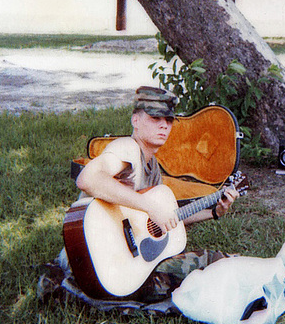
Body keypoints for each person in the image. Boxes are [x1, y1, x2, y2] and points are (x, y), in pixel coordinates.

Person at [62, 86, 240, 302]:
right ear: (135, 120)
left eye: (169, 120)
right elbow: (87, 179)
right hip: (94, 256)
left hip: (118, 264)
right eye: (155, 117)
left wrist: (214, 212)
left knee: (188, 267)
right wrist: (150, 206)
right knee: (209, 261)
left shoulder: (152, 166)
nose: (164, 124)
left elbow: (166, 218)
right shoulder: (126, 148)